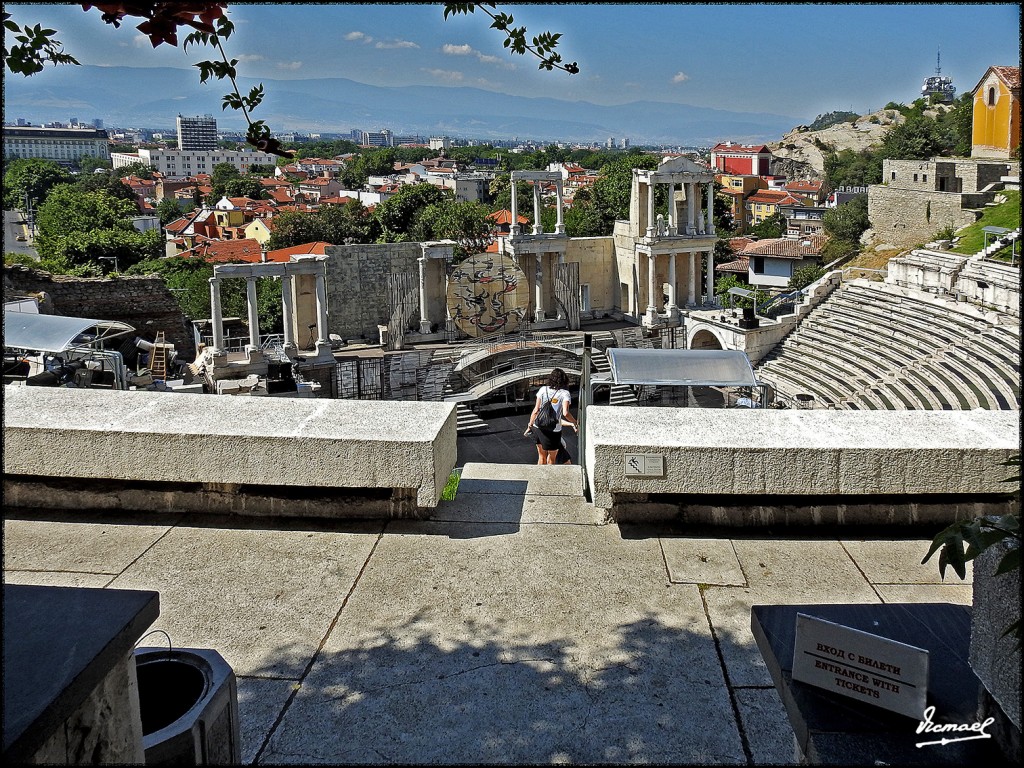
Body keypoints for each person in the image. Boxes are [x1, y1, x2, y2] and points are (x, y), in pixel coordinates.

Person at [524, 368, 578, 465]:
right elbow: (566, 413)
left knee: (541, 456)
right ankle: (549, 478)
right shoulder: (564, 394)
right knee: (552, 458)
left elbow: (536, 410)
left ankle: (539, 478)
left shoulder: (542, 390)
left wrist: (530, 425)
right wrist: (574, 422)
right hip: (553, 430)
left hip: (538, 426)